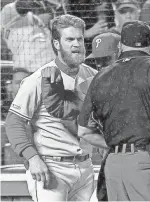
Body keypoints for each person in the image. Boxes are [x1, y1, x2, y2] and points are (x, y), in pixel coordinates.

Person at [78, 21, 150, 201]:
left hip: (113, 165)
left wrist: (119, 146)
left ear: (120, 46)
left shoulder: (99, 77)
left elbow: (83, 131)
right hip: (148, 160)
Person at [5, 14, 97, 202]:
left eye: (79, 38)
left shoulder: (94, 76)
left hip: (85, 167)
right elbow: (14, 122)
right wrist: (33, 158)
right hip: (52, 168)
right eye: (69, 39)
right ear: (56, 43)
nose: (77, 44)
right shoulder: (38, 79)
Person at [0, 0, 65, 72]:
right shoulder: (7, 11)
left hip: (50, 68)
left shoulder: (39, 23)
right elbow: (22, 4)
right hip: (27, 70)